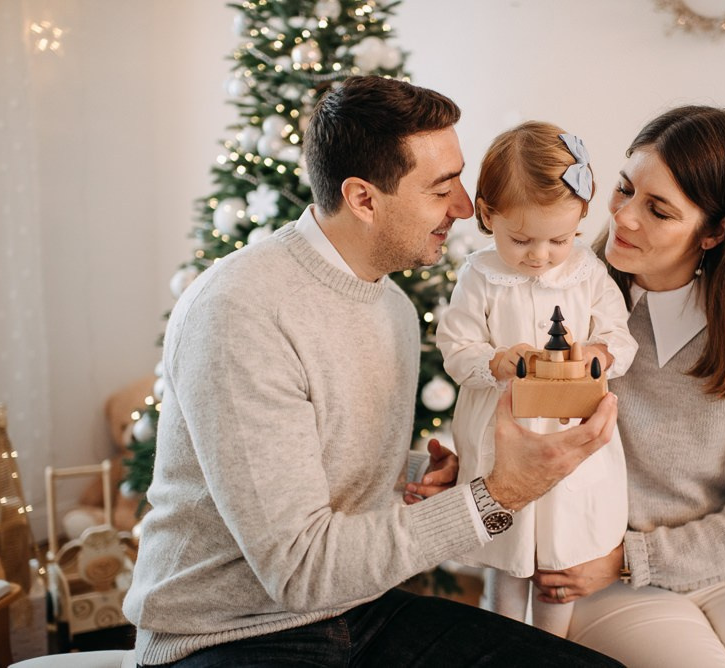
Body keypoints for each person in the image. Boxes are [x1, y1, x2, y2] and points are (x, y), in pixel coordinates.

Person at [122, 75, 623, 667]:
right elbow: (301, 570)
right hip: (229, 635)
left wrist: (412, 473)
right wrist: (502, 492)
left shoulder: (393, 309)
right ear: (363, 198)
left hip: (358, 610)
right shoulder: (238, 312)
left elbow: (314, 464)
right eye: (443, 189)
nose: (467, 209)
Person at [531, 106, 725, 667]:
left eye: (659, 210)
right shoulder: (566, 300)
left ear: (715, 231)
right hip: (604, 570)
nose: (623, 218)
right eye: (624, 189)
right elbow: (521, 424)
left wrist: (638, 556)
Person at [435, 121, 637, 638]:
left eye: (559, 238)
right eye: (520, 238)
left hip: (571, 432)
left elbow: (620, 336)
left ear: (581, 221)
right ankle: (500, 642)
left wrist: (599, 353)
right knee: (507, 551)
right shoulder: (480, 276)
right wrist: (496, 361)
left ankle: (552, 646)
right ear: (487, 216)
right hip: (504, 433)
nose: (540, 255)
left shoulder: (587, 272)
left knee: (560, 557)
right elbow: (455, 348)